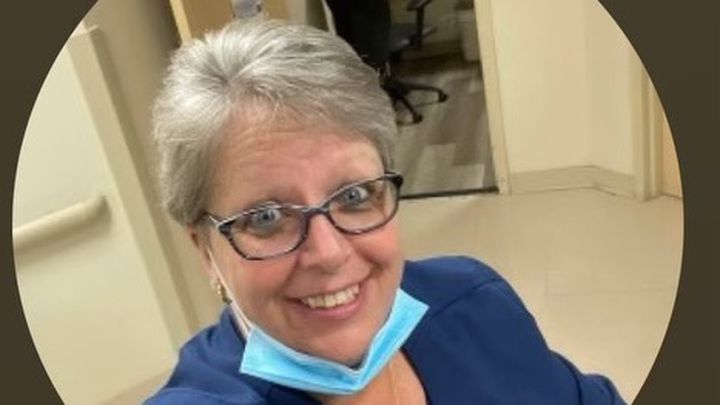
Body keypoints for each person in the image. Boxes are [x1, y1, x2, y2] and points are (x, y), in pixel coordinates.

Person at [145, 19, 625, 405]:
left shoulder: (474, 301)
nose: (329, 253)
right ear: (205, 252)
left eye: (354, 195)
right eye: (267, 218)